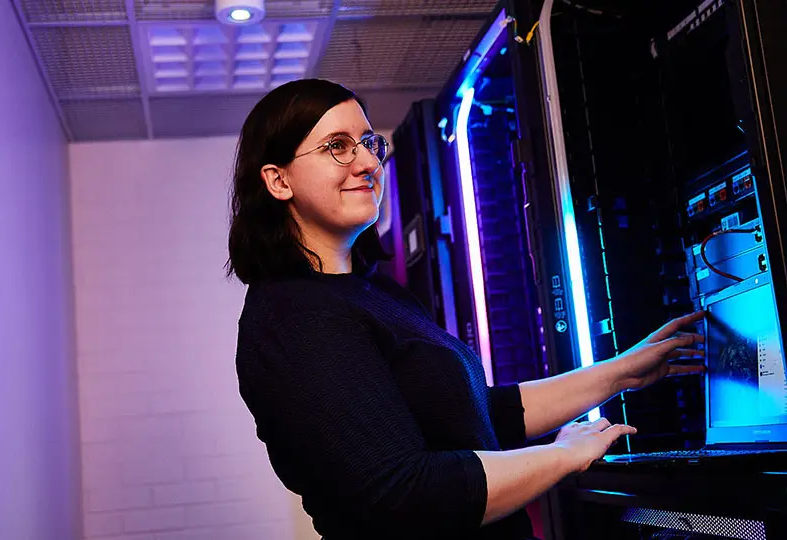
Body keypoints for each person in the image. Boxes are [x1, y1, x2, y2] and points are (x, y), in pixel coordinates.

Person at [226, 78, 705, 539]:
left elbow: (470, 414)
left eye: (369, 143)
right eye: (337, 146)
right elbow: (403, 494)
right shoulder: (294, 319)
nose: (367, 162)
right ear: (278, 180)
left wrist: (620, 373)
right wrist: (562, 456)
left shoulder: (376, 294)